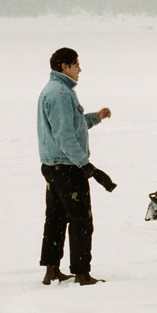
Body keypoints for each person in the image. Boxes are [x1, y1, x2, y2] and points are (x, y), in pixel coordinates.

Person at [37, 47, 117, 286]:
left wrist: (96, 117)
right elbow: (64, 136)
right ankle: (82, 273)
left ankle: (52, 270)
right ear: (64, 66)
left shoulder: (56, 90)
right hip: (67, 167)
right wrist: (86, 166)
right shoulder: (61, 94)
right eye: (76, 65)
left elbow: (73, 124)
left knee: (56, 217)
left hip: (54, 167)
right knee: (81, 220)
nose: (80, 69)